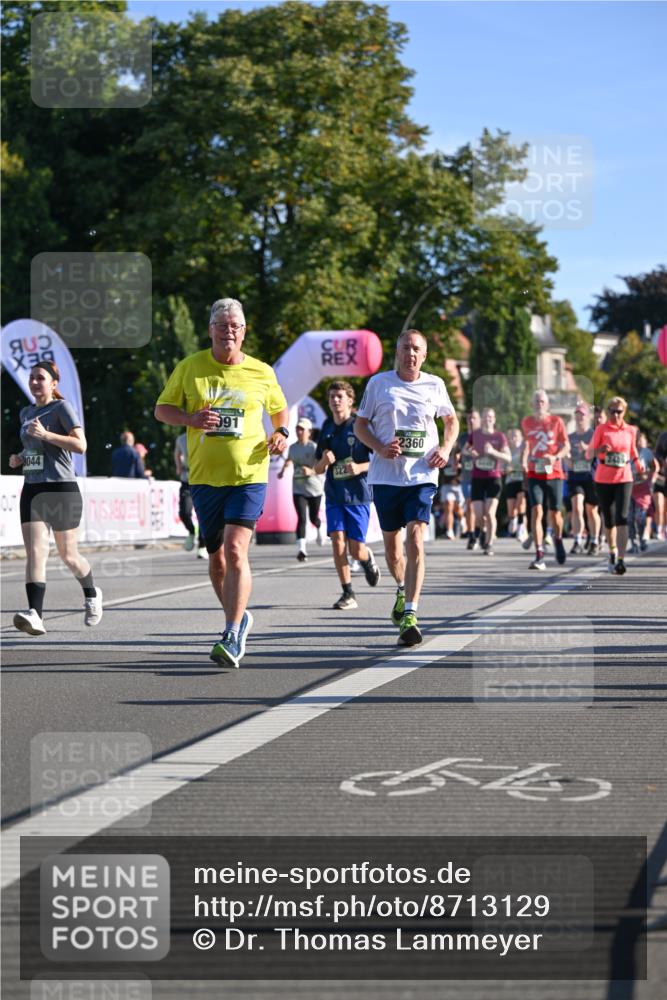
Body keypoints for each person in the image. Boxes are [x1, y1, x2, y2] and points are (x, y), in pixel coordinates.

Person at [155, 297, 289, 667]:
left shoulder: (261, 371)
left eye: (236, 325)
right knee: (216, 561)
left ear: (244, 332)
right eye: (222, 324)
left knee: (235, 550)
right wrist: (190, 419)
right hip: (204, 479)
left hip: (249, 474)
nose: (229, 330)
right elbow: (161, 409)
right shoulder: (190, 367)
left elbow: (279, 411)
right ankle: (239, 614)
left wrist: (282, 433)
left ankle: (231, 633)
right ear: (211, 329)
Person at [354, 329, 459, 646]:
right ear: (396, 352)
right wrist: (380, 447)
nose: (410, 353)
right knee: (392, 550)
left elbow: (451, 421)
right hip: (386, 476)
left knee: (416, 537)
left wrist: (446, 449)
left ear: (424, 355)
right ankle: (402, 589)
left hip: (421, 475)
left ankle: (411, 613)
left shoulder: (435, 384)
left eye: (416, 349)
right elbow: (360, 425)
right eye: (405, 348)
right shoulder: (379, 384)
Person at [9, 361, 103, 635]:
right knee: (36, 553)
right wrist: (20, 457)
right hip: (33, 488)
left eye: (41, 378)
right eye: (32, 378)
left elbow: (80, 446)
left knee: (68, 555)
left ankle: (91, 592)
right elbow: (34, 449)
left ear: (53, 384)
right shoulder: (25, 412)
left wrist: (47, 434)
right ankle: (36, 614)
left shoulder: (61, 408)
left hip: (61, 488)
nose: (35, 382)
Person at [313, 380, 380, 608]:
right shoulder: (326, 427)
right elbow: (317, 468)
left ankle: (367, 559)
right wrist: (324, 461)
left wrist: (360, 468)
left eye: (340, 396)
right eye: (332, 396)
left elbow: (379, 459)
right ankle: (348, 592)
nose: (335, 400)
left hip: (358, 495)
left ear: (351, 401)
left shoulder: (360, 427)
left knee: (356, 549)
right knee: (338, 543)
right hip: (334, 495)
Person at [586, 396, 642, 575]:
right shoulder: (601, 429)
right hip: (603, 478)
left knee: (622, 518)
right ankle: (612, 551)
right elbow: (588, 453)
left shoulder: (630, 430)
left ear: (624, 412)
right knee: (609, 521)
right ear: (608, 411)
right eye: (612, 411)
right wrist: (599, 451)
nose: (615, 415)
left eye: (619, 412)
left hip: (624, 477)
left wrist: (638, 463)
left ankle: (621, 560)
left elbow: (632, 450)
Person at [521, 389, 569, 570]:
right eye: (537, 401)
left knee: (555, 514)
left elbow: (566, 446)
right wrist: (524, 461)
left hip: (554, 472)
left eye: (542, 401)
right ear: (532, 404)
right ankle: (539, 553)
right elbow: (526, 444)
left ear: (547, 404)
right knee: (537, 511)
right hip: (534, 472)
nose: (540, 404)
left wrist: (555, 457)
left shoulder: (557, 422)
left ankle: (558, 540)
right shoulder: (526, 422)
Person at [463, 406, 510, 556]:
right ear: (482, 420)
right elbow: (464, 449)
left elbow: (508, 457)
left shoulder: (500, 437)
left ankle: (489, 544)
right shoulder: (475, 435)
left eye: (490, 417)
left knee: (490, 513)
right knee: (478, 514)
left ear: (494, 419)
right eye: (485, 417)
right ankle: (483, 531)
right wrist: (470, 452)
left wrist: (493, 452)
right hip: (477, 478)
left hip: (494, 478)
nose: (487, 419)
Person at [278, 417, 326, 561]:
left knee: (312, 517)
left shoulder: (314, 447)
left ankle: (319, 528)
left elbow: (323, 466)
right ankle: (302, 550)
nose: (299, 432)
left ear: (309, 432)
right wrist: (283, 470)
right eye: (297, 429)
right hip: (298, 488)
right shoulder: (293, 447)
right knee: (301, 518)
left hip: (315, 488)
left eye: (302, 429)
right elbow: (289, 459)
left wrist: (310, 471)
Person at [566, 402, 600, 555]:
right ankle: (577, 540)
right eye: (577, 415)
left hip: (591, 477)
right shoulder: (570, 437)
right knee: (577, 507)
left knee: (591, 511)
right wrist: (568, 460)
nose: (580, 417)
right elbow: (565, 455)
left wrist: (588, 449)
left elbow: (601, 453)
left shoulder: (594, 435)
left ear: (588, 417)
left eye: (583, 415)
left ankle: (594, 540)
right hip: (575, 477)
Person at [174, 431, 207, 558]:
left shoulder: (207, 435)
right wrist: (178, 466)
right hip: (187, 479)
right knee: (184, 512)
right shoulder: (181, 438)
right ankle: (191, 532)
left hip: (204, 479)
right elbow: (177, 453)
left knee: (203, 515)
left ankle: (202, 546)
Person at [628, 431, 657, 553]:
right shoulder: (628, 452)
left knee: (640, 518)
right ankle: (633, 542)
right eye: (636, 440)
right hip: (629, 488)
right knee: (629, 518)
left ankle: (642, 539)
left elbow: (654, 467)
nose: (638, 443)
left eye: (641, 440)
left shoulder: (647, 453)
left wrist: (650, 477)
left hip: (643, 489)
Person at [503, 427, 528, 542]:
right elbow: (502, 468)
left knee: (521, 503)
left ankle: (521, 527)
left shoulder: (525, 450)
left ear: (521, 438)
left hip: (522, 480)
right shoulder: (506, 450)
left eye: (516, 436)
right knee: (511, 509)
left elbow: (528, 464)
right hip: (510, 481)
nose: (514, 439)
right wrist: (507, 469)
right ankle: (513, 519)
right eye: (512, 436)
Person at [460, 410, 480, 549]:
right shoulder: (462, 438)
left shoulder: (484, 437)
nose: (471, 421)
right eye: (469, 419)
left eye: (474, 418)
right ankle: (472, 535)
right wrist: (456, 459)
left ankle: (480, 531)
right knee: (470, 506)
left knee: (481, 511)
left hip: (482, 477)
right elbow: (455, 451)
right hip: (467, 477)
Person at [653, 429, 667, 541]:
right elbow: (657, 453)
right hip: (661, 477)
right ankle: (659, 529)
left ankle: (665, 529)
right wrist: (662, 460)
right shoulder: (663, 436)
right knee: (659, 505)